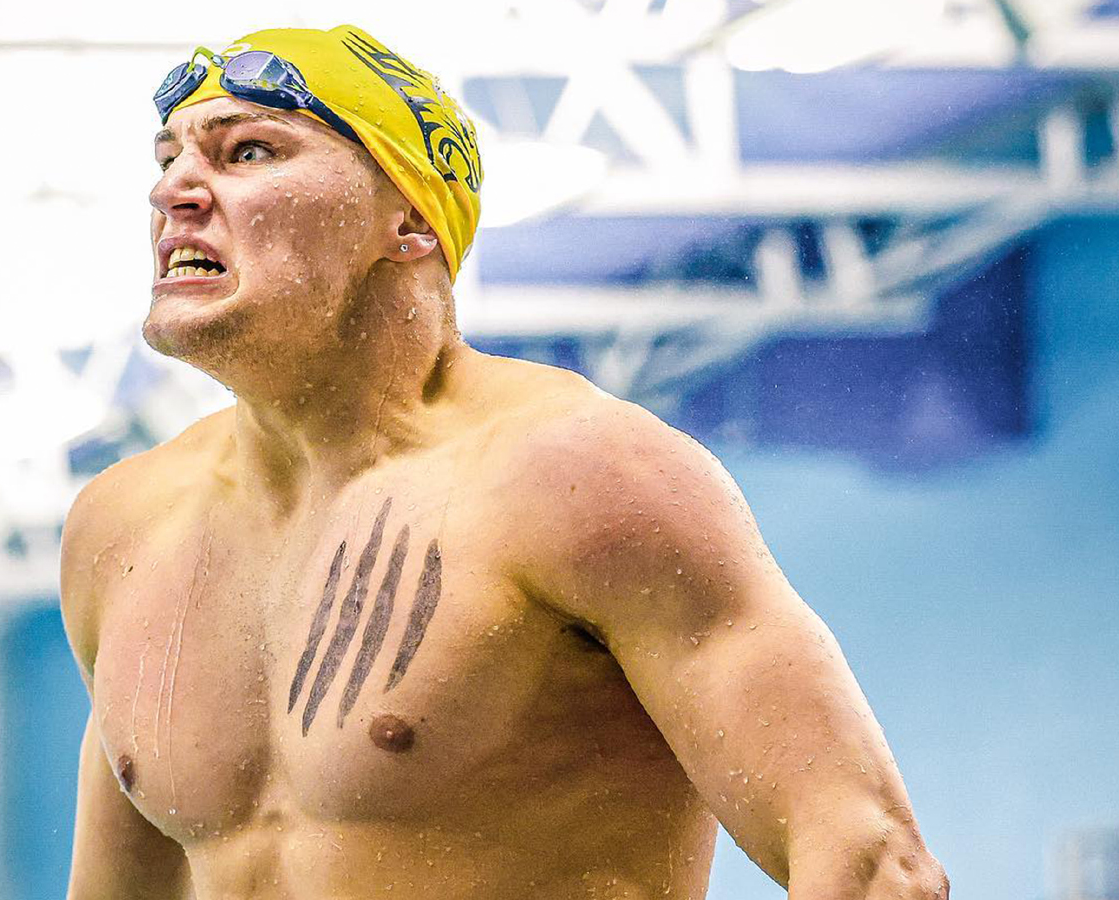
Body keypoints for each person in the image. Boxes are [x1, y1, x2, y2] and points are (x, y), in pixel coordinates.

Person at [59, 24, 948, 900]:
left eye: (249, 152)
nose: (176, 187)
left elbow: (869, 864)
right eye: (168, 157)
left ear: (407, 217)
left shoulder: (580, 476)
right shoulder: (126, 527)